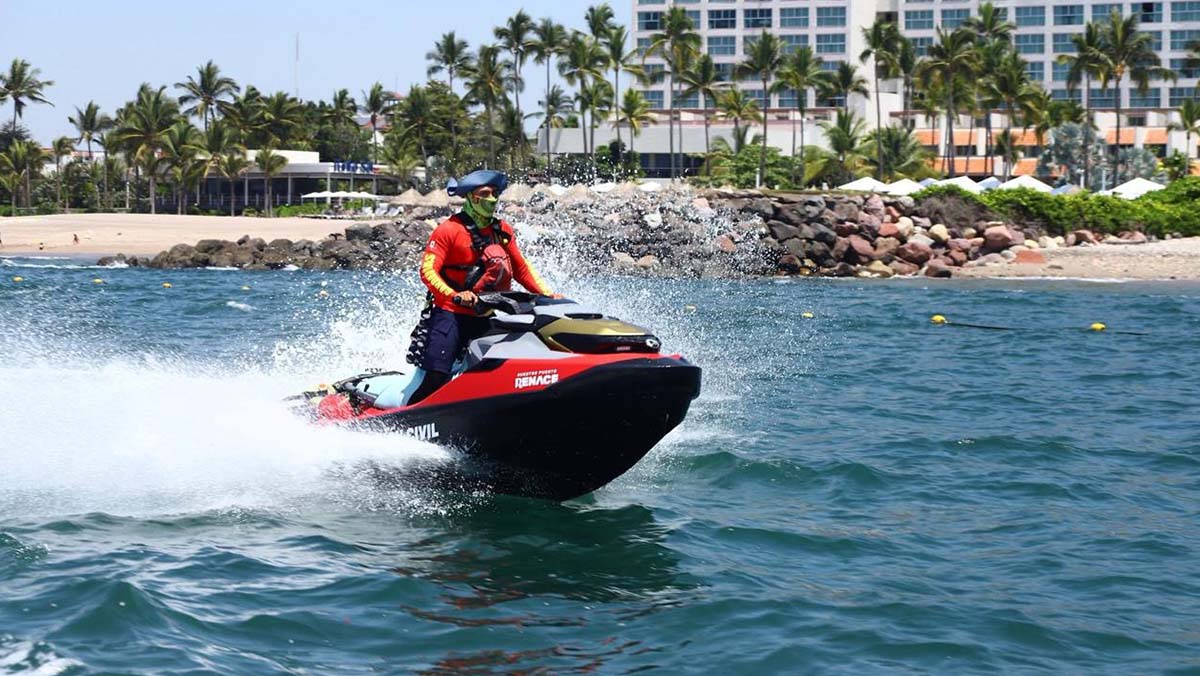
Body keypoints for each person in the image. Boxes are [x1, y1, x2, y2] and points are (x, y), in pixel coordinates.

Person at [405, 170, 553, 404]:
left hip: (487, 314)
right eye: (485, 194)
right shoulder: (449, 230)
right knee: (436, 378)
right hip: (450, 315)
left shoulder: (502, 230)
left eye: (495, 193)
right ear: (471, 197)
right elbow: (428, 271)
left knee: (498, 370)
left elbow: (522, 271)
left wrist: (548, 295)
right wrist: (455, 295)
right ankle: (404, 422)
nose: (492, 199)